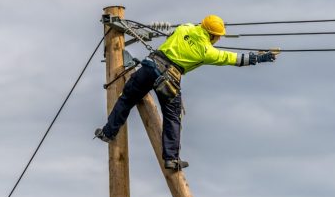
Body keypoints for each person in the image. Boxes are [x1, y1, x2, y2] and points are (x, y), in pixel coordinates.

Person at [94, 15, 277, 170]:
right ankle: (171, 158)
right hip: (168, 78)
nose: (219, 39)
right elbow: (233, 58)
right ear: (212, 35)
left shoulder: (185, 28)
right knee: (173, 116)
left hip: (149, 66)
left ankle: (108, 132)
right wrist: (259, 58)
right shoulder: (206, 51)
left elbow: (177, 33)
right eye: (218, 36)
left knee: (126, 99)